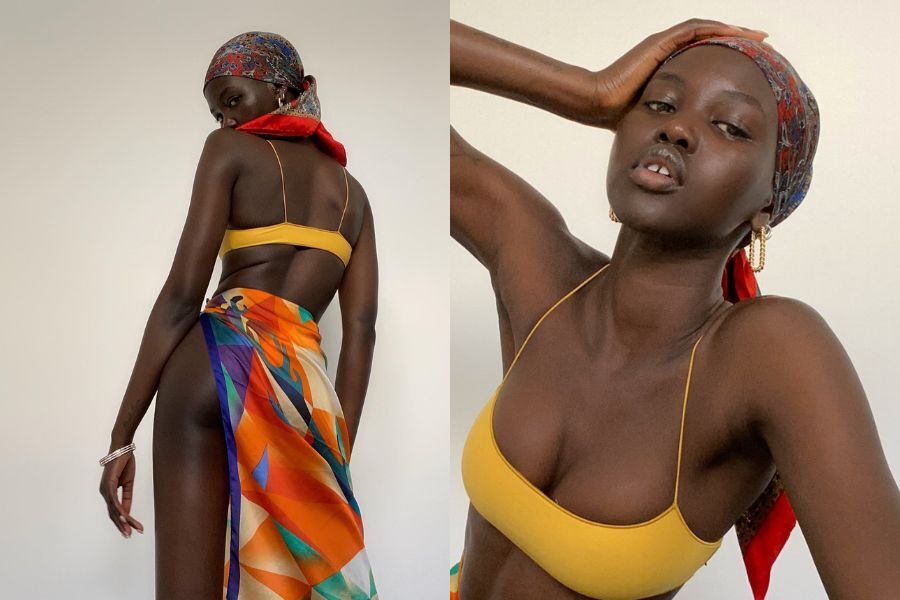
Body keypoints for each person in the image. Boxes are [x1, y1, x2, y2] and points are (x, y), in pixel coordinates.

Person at [450, 18, 900, 600]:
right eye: (659, 104)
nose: (679, 129)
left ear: (768, 201)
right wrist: (586, 89)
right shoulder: (542, 274)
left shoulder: (767, 352)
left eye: (731, 126)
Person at [98, 31, 379, 599]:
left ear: (279, 89)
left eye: (231, 100)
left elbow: (182, 295)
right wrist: (333, 451)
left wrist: (121, 437)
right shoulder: (355, 196)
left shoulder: (227, 153)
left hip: (211, 367)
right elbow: (362, 331)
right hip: (303, 393)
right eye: (216, 111)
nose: (225, 121)